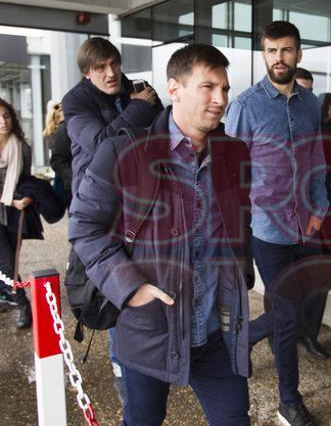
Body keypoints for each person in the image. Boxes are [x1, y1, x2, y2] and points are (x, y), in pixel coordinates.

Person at [68, 43, 252, 426]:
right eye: (208, 87)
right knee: (142, 421)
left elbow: (238, 219)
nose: (221, 99)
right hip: (150, 328)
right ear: (174, 89)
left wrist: (239, 273)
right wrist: (129, 288)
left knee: (234, 417)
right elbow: (85, 227)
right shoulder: (123, 152)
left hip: (215, 328)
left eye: (225, 88)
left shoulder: (235, 153)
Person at [225, 21, 329, 426]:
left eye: (286, 50)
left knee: (306, 304)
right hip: (269, 229)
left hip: (309, 223)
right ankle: (290, 402)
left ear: (298, 54)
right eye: (271, 51)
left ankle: (245, 338)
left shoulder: (310, 104)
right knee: (287, 316)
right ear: (264, 55)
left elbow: (318, 157)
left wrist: (321, 207)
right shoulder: (246, 106)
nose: (279, 58)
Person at [62, 36, 163, 404]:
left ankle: (141, 361)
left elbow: (164, 135)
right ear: (87, 73)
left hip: (142, 205)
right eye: (100, 68)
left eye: (113, 64)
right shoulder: (76, 101)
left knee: (140, 286)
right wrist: (137, 108)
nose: (110, 73)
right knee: (111, 289)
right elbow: (103, 140)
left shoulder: (138, 89)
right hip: (99, 209)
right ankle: (124, 371)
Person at [0, 99, 33, 327]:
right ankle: (23, 305)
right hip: (7, 205)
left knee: (10, 263)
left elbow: (25, 182)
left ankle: (15, 298)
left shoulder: (22, 147)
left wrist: (27, 197)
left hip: (11, 215)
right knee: (5, 263)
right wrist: (10, 199)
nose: (3, 122)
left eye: (6, 116)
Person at [43, 101, 72, 207]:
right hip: (67, 178)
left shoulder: (52, 131)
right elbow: (57, 160)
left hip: (64, 177)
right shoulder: (62, 130)